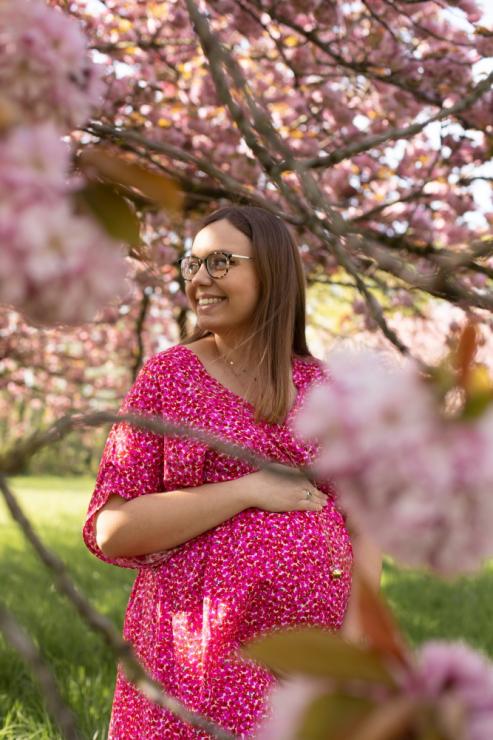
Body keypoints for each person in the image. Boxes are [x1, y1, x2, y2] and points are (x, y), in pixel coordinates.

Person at [82, 205, 381, 739]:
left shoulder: (327, 389)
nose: (199, 278)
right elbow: (113, 528)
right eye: (191, 263)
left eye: (220, 262)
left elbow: (364, 527)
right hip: (197, 658)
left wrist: (353, 653)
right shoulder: (169, 378)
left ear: (271, 271)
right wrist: (248, 490)